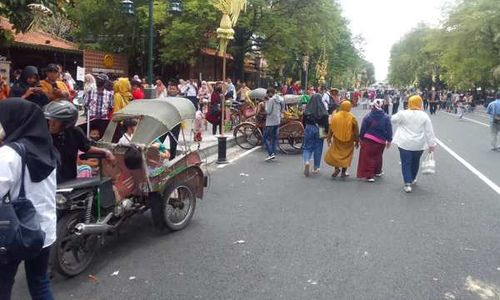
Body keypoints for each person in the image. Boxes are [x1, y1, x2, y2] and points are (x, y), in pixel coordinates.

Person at [0, 98, 59, 300]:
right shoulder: (48, 148)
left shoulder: (10, 154)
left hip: (13, 231)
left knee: (4, 283)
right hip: (44, 230)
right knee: (39, 282)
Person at [43, 100, 115, 183]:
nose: (51, 124)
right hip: (47, 181)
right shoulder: (42, 134)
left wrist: (106, 152)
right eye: (49, 120)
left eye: (55, 121)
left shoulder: (75, 132)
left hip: (69, 180)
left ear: (66, 123)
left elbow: (87, 147)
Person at [391, 95, 437, 193]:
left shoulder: (402, 114)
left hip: (404, 143)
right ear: (420, 103)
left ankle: (407, 184)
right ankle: (412, 178)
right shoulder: (424, 115)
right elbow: (429, 131)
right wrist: (431, 144)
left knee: (406, 163)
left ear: (409, 103)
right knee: (415, 162)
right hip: (419, 144)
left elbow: (393, 119)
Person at [357, 99, 393, 182]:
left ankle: (370, 176)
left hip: (368, 140)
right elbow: (389, 130)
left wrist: (361, 138)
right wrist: (389, 140)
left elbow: (363, 129)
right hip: (381, 141)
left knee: (368, 157)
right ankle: (377, 171)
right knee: (378, 156)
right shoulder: (386, 117)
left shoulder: (368, 116)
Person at [325, 101, 359, 178]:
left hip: (337, 139)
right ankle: (343, 172)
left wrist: (329, 137)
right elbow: (356, 130)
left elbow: (331, 127)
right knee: (346, 156)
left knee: (335, 154)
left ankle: (336, 169)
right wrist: (357, 140)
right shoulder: (352, 117)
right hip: (349, 140)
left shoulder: (335, 116)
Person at [302, 93, 329, 176]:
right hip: (321, 129)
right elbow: (326, 123)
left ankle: (307, 161)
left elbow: (303, 122)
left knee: (307, 147)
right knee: (318, 148)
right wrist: (327, 134)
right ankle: (316, 167)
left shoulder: (307, 110)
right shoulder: (324, 112)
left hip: (309, 128)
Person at [263, 88, 284, 161]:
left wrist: (266, 102)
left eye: (268, 94)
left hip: (270, 122)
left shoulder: (271, 100)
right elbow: (282, 109)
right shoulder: (280, 99)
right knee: (274, 138)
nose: (267, 95)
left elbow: (268, 111)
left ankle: (271, 153)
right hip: (277, 120)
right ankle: (273, 153)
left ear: (270, 93)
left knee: (265, 137)